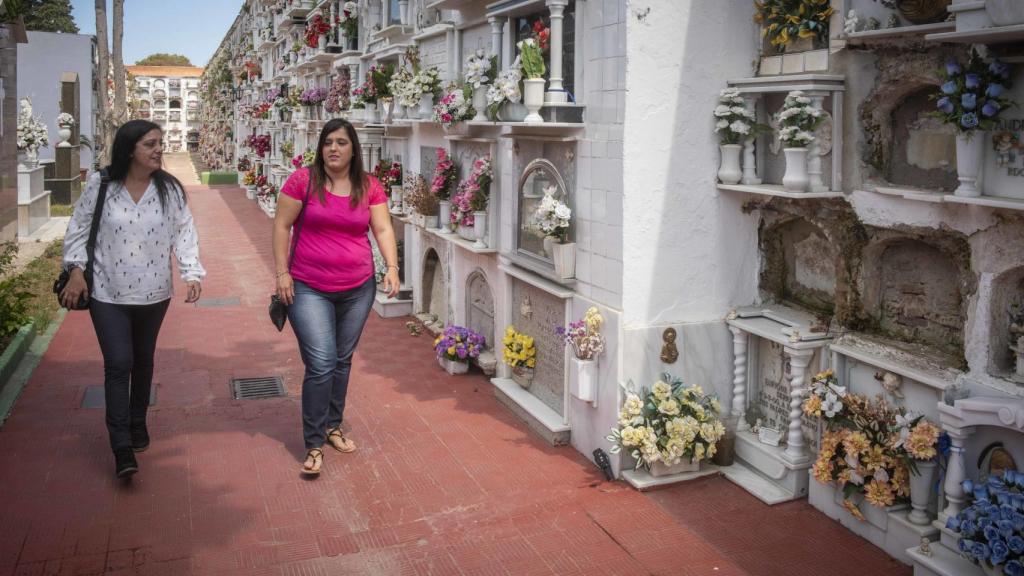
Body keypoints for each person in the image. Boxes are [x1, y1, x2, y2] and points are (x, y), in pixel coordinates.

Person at [61, 120, 205, 478]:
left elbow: (184, 230)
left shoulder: (169, 190)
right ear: (129, 149)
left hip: (154, 292)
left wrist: (191, 271)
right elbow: (78, 228)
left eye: (161, 143)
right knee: (118, 363)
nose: (159, 150)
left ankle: (138, 422)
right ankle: (121, 445)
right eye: (151, 144)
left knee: (143, 361)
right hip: (108, 292)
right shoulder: (102, 185)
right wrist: (76, 270)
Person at [273, 118, 399, 476]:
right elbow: (282, 226)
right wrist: (282, 273)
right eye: (328, 142)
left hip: (357, 288)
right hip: (308, 286)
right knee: (322, 362)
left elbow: (383, 227)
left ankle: (332, 425)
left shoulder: (368, 186)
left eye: (342, 142)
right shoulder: (303, 181)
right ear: (320, 147)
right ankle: (313, 443)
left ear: (353, 148)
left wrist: (392, 266)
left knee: (342, 360)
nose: (334, 148)